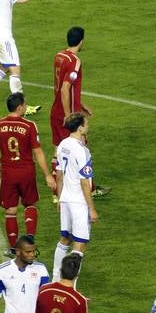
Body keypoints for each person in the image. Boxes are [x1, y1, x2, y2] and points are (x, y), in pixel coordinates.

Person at [0, 92, 56, 251]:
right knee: (30, 205)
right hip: (26, 171)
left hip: (8, 173)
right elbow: (38, 152)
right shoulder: (29, 126)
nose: (26, 107)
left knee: (10, 211)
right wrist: (48, 175)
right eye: (25, 104)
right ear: (19, 108)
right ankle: (30, 239)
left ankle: (13, 249)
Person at [50, 26, 110, 198]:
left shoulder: (59, 56)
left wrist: (81, 103)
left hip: (55, 111)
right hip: (67, 114)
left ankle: (57, 193)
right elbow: (65, 89)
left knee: (58, 150)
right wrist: (70, 115)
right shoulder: (75, 62)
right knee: (82, 149)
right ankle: (90, 189)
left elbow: (63, 87)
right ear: (81, 41)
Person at [52, 112, 98, 282]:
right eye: (86, 123)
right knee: (79, 245)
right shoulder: (83, 151)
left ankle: (55, 280)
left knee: (65, 238)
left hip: (65, 199)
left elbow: (59, 175)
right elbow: (85, 183)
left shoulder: (62, 144)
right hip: (79, 202)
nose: (88, 125)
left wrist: (58, 197)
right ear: (80, 128)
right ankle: (70, 287)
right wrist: (92, 209)